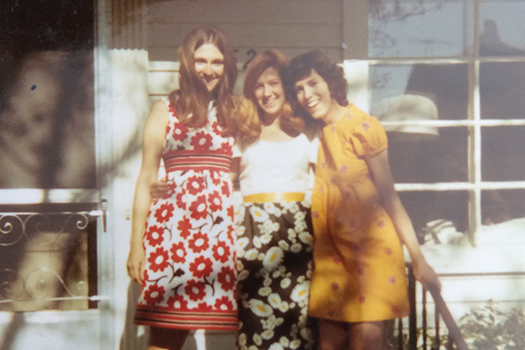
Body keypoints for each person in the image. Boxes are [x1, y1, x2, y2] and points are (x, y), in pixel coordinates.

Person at [150, 49, 319, 350]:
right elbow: (214, 177)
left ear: (286, 86)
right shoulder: (243, 134)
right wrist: (165, 186)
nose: (267, 93)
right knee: (256, 327)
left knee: (299, 327)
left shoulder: (308, 134)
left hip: (299, 240)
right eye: (258, 86)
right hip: (251, 241)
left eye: (274, 84)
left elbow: (327, 186)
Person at [281, 50, 442, 350]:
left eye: (313, 83)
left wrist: (419, 261)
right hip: (332, 256)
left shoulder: (363, 127)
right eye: (299, 89)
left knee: (364, 344)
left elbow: (390, 197)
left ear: (330, 82)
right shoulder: (316, 132)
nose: (307, 94)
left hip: (372, 252)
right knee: (328, 344)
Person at [126, 25, 253, 350]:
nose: (208, 70)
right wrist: (136, 245)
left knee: (215, 333)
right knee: (165, 339)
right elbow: (146, 178)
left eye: (217, 62)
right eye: (201, 60)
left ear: (226, 68)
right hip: (173, 237)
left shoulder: (234, 113)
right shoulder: (165, 111)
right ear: (187, 63)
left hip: (217, 240)